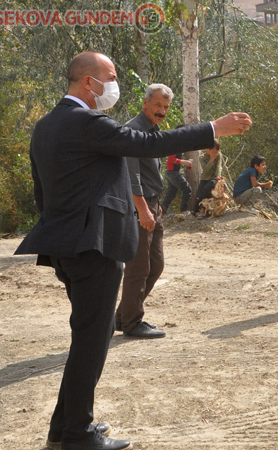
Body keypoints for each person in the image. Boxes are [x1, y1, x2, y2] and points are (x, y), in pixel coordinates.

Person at [14, 51, 251, 450]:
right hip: (94, 246)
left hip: (69, 245)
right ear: (88, 82)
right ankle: (77, 433)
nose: (115, 83)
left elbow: (43, 192)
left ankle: (65, 425)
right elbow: (146, 143)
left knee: (91, 333)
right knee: (92, 336)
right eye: (110, 76)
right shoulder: (85, 120)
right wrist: (213, 128)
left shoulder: (46, 125)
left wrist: (61, 236)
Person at [114, 84, 177, 339]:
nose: (162, 111)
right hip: (139, 205)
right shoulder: (133, 130)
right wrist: (143, 209)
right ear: (145, 104)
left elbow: (149, 172)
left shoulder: (153, 130)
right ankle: (131, 322)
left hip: (152, 203)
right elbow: (132, 176)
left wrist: (155, 204)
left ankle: (121, 317)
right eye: (158, 106)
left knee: (156, 264)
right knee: (139, 266)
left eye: (166, 107)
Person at [193, 141, 224, 215]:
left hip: (213, 178)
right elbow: (205, 170)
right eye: (213, 150)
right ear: (207, 149)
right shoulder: (202, 158)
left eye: (216, 150)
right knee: (198, 195)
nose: (215, 152)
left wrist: (218, 175)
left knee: (208, 187)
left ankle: (204, 209)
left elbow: (219, 166)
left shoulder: (219, 155)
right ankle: (196, 210)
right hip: (205, 178)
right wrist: (211, 160)